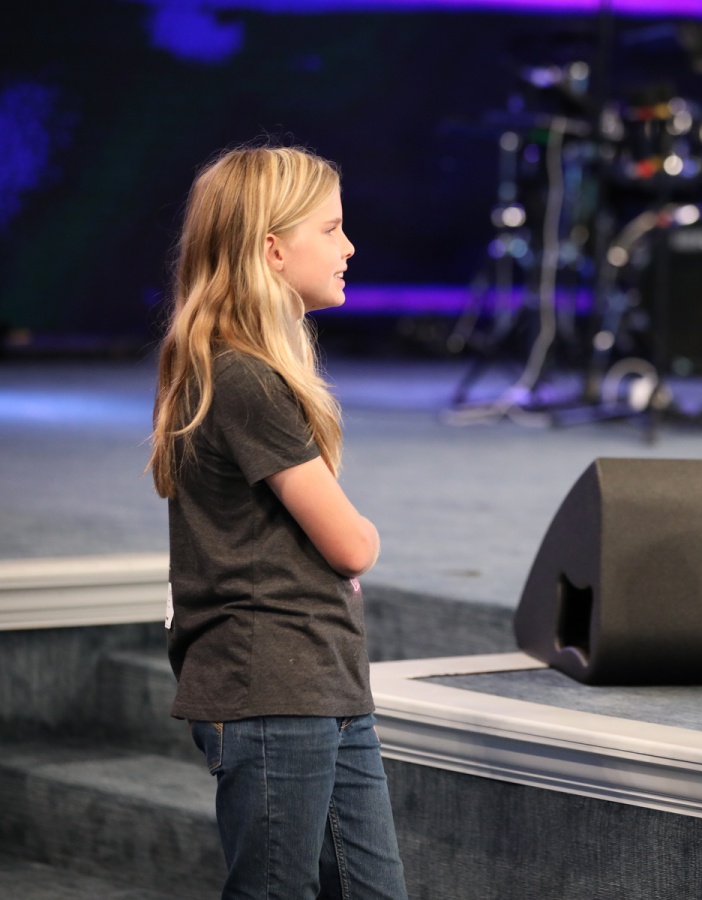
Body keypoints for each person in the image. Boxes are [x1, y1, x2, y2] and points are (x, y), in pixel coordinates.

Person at [148, 144, 408, 899]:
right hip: (272, 689)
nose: (348, 247)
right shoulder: (243, 377)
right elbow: (350, 544)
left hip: (322, 679)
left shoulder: (239, 369)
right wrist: (370, 536)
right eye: (330, 229)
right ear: (272, 250)